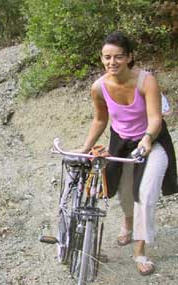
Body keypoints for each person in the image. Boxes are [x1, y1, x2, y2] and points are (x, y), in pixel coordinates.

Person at [79, 31, 178, 275]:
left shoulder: (146, 81)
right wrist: (84, 148)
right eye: (107, 57)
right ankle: (128, 222)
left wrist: (146, 139)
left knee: (145, 193)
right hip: (121, 142)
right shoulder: (99, 87)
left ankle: (140, 250)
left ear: (130, 57)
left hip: (153, 142)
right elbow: (100, 120)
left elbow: (155, 119)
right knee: (123, 194)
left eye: (118, 57)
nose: (112, 62)